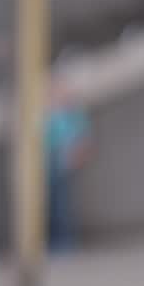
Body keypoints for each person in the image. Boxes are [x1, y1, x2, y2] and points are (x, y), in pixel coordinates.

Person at [45, 83, 92, 252]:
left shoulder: (72, 112)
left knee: (61, 204)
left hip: (62, 159)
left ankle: (64, 241)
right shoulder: (49, 112)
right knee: (50, 203)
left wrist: (76, 156)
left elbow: (81, 137)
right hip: (48, 160)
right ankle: (52, 240)